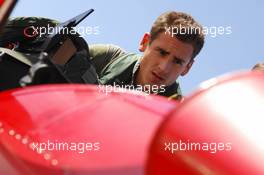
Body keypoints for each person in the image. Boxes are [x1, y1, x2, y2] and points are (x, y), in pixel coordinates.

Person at [89, 11, 205, 100]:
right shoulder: (107, 58)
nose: (163, 68)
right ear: (145, 42)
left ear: (187, 67)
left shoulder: (177, 115)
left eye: (177, 61)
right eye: (162, 52)